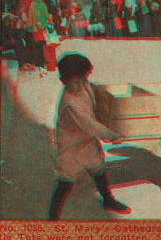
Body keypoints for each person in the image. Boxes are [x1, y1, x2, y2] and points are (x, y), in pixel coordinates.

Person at [48, 53, 131, 220]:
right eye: (74, 81)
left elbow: (94, 93)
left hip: (85, 141)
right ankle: (52, 218)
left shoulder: (84, 85)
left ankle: (107, 199)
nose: (80, 84)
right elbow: (90, 125)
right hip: (70, 145)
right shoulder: (70, 102)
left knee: (97, 169)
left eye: (82, 79)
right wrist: (111, 134)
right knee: (65, 180)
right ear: (63, 80)